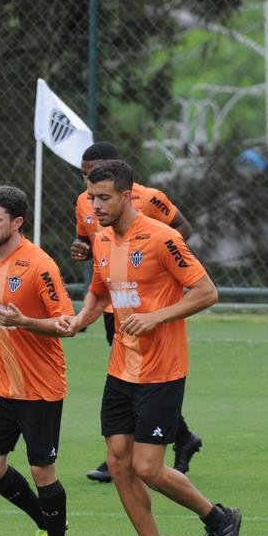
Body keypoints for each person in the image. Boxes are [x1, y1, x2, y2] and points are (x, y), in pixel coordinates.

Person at [58, 162, 241, 536]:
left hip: (162, 369)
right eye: (91, 197)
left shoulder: (162, 238)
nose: (95, 206)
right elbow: (100, 292)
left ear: (127, 196)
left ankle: (218, 517)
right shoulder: (102, 239)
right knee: (118, 463)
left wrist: (156, 317)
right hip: (120, 368)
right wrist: (80, 319)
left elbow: (206, 292)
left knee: (148, 468)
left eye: (104, 198)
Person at [71, 142, 203, 482]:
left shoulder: (150, 202)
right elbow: (89, 244)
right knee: (131, 378)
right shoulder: (86, 204)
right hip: (116, 304)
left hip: (150, 308)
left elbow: (182, 232)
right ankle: (128, 452)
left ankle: (157, 449)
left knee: (149, 379)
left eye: (95, 178)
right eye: (85, 178)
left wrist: (157, 280)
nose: (93, 199)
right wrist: (84, 252)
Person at [0, 186, 74, 536]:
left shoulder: (40, 265)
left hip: (41, 385)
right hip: (0, 381)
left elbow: (67, 324)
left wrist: (25, 322)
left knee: (42, 472)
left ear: (17, 222)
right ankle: (45, 523)